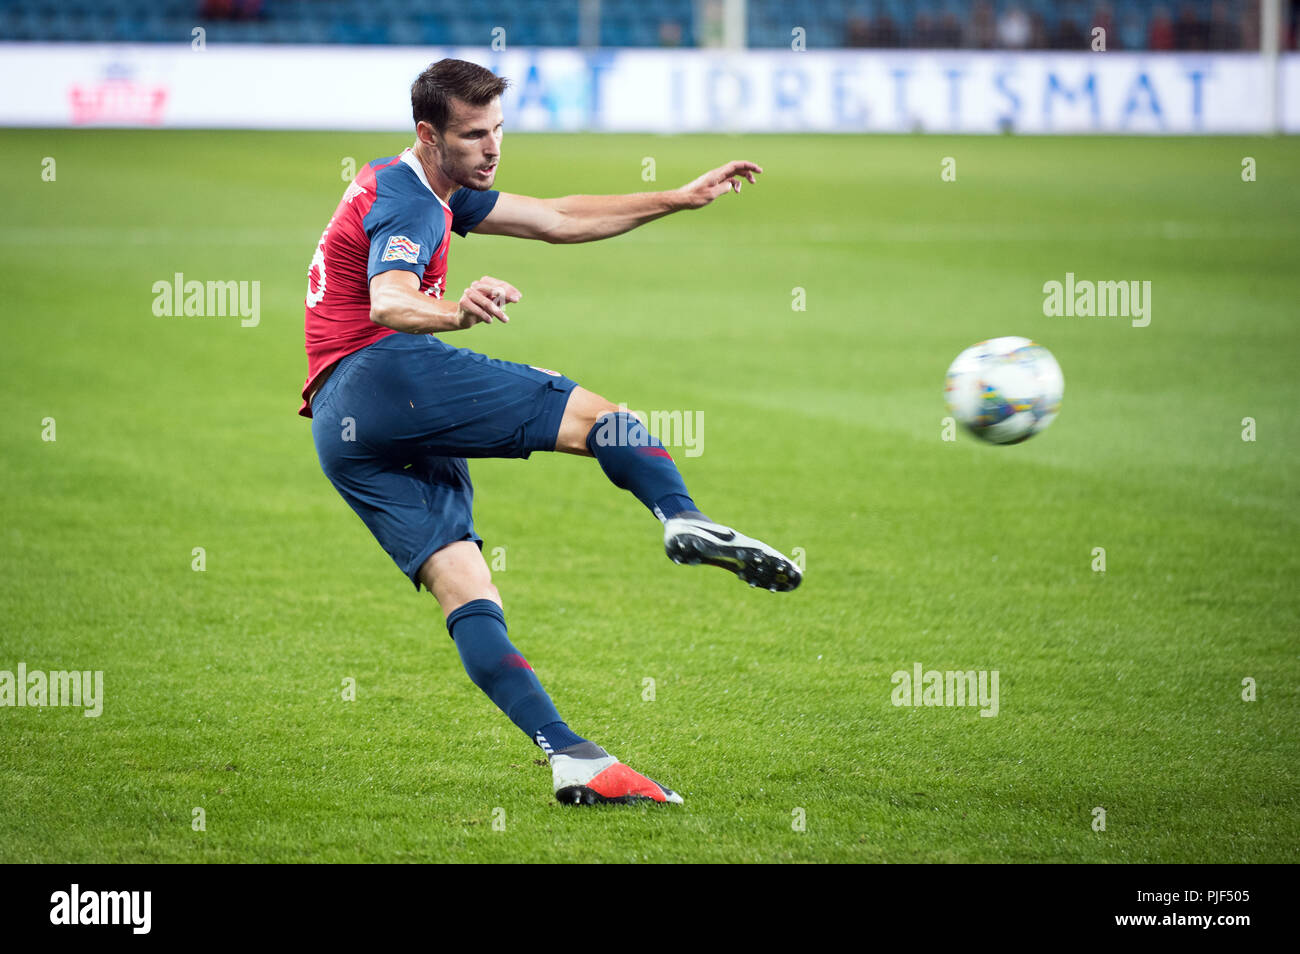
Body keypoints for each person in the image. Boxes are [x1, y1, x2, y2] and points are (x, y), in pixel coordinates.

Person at [300, 59, 801, 806]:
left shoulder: (429, 187)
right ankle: (680, 517)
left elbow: (558, 218)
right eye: (473, 135)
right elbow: (390, 301)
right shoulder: (408, 201)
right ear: (428, 135)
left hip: (342, 433)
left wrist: (678, 197)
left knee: (466, 587)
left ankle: (571, 756)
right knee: (602, 419)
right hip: (386, 377)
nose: (492, 147)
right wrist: (456, 310)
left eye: (499, 128)